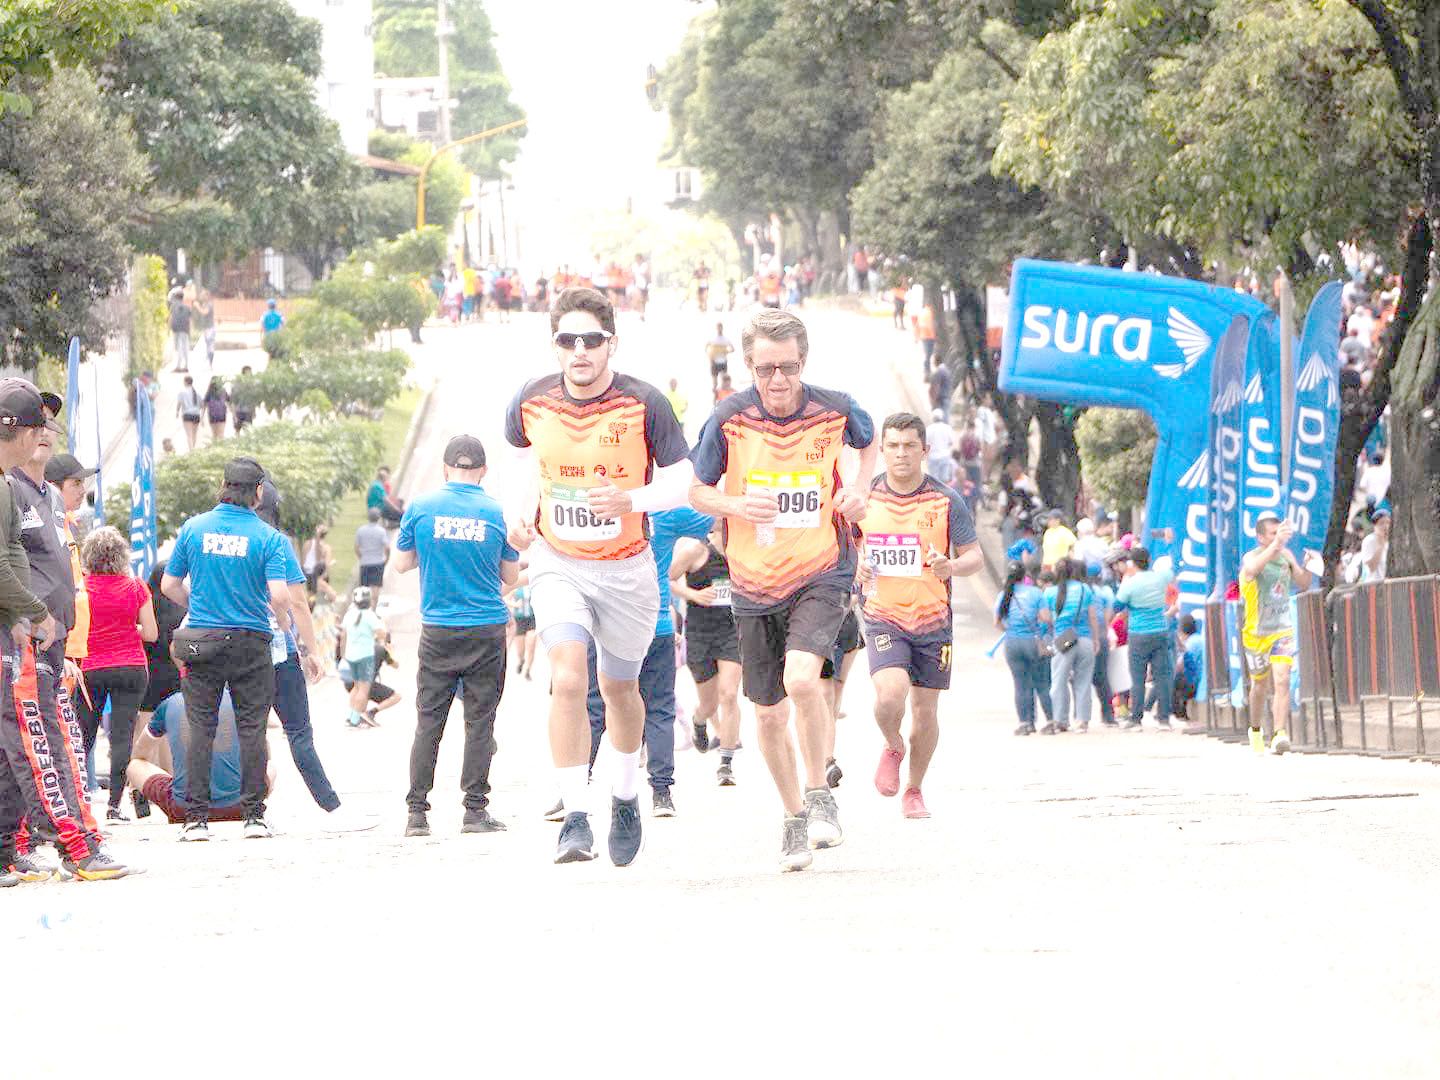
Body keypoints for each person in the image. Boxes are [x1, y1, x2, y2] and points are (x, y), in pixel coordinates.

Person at [504, 287, 692, 866]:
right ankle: (576, 815)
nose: (579, 350)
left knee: (619, 690)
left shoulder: (645, 403)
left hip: (628, 570)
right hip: (560, 563)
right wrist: (520, 512)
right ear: (555, 346)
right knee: (566, 676)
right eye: (568, 340)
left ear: (611, 342)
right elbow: (525, 460)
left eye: (591, 339)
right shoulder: (531, 401)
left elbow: (682, 479)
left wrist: (631, 499)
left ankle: (627, 795)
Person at [690, 308, 876, 871]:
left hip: (821, 567)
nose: (778, 381)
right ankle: (794, 816)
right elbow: (697, 491)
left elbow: (868, 446)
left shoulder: (836, 409)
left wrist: (861, 490)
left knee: (803, 678)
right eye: (766, 368)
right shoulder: (728, 418)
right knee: (766, 714)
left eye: (789, 368)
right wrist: (733, 504)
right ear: (748, 365)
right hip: (751, 578)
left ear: (804, 362)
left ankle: (820, 794)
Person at [0, 379, 135, 881]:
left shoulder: (50, 500)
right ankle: (74, 845)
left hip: (53, 641)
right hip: (21, 639)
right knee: (38, 743)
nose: (43, 433)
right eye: (34, 424)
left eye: (48, 424)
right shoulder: (9, 490)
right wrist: (31, 615)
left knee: (34, 742)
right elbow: (7, 565)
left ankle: (13, 847)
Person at [160, 456, 296, 840]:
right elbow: (280, 594)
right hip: (252, 642)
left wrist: (199, 607)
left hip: (203, 642)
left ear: (223, 485)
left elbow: (169, 586)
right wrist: (282, 622)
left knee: (200, 727)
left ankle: (196, 819)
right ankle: (254, 815)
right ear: (258, 492)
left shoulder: (194, 528)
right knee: (252, 728)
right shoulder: (268, 537)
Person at [856, 412, 981, 818]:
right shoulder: (865, 498)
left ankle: (914, 789)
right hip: (882, 615)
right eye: (892, 446)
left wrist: (950, 567)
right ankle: (892, 743)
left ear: (925, 451)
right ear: (882, 452)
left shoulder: (946, 500)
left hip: (932, 621)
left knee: (926, 711)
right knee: (889, 695)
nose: (901, 454)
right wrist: (853, 565)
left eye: (910, 446)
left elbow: (974, 556)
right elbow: (838, 547)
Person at [394, 434, 518, 834]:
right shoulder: (495, 512)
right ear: (482, 471)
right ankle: (475, 811)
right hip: (485, 628)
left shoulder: (421, 507)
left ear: (446, 468)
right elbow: (510, 575)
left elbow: (400, 564)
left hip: (438, 630)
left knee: (429, 721)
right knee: (480, 721)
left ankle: (417, 813)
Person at [74, 526, 156, 820]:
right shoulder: (135, 587)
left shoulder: (81, 588)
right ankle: (113, 806)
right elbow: (151, 634)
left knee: (83, 734)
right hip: (130, 666)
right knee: (122, 736)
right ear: (122, 555)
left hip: (91, 668)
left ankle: (76, 801)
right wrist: (129, 628)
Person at [125, 691, 275, 826]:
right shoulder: (243, 701)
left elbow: (140, 752)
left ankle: (171, 787)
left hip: (183, 808)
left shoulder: (171, 703)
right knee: (270, 766)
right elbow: (263, 753)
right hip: (239, 806)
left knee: (134, 765)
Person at [670, 522, 742, 785]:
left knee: (730, 693)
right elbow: (668, 579)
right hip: (701, 632)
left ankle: (726, 762)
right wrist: (694, 595)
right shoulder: (696, 550)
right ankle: (700, 720)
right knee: (709, 703)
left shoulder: (742, 553)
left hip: (732, 631)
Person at [1240, 512, 1312, 754]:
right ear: (1260, 537)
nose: (1278, 538)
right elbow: (1253, 570)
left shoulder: (1286, 556)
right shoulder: (1251, 557)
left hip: (1282, 629)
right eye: (1272, 534)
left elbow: (1302, 582)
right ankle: (1256, 729)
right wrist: (1276, 545)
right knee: (1259, 685)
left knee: (1282, 680)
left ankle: (1280, 733)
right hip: (1256, 632)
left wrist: (1310, 567)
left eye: (1279, 533)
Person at [1114, 545, 1177, 731]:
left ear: (1132, 563)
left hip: (1138, 634)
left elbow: (1118, 605)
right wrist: (1168, 543)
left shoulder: (1130, 584)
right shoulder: (1161, 578)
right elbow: (1172, 570)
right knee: (1162, 677)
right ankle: (1164, 719)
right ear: (1149, 561)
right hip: (1160, 631)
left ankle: (1136, 719)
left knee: (1138, 678)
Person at [1040, 558, 1103, 733]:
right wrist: (1096, 639)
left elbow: (1045, 619)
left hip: (1063, 639)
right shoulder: (1085, 589)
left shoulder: (1050, 592)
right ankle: (1082, 721)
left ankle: (1061, 719)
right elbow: (1092, 617)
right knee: (1083, 681)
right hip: (1084, 639)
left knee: (1059, 680)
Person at [995, 561, 1052, 735]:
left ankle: (1025, 723)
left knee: (1021, 685)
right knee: (1041, 683)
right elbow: (1045, 618)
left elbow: (996, 623)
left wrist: (1011, 630)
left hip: (1012, 643)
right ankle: (1050, 721)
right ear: (1024, 575)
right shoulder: (1035, 593)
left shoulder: (1004, 594)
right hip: (1032, 642)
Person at [354, 507, 390, 602]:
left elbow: (356, 547)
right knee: (376, 587)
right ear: (378, 518)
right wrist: (386, 558)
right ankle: (373, 609)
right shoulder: (381, 531)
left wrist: (361, 557)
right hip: (378, 562)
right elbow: (387, 547)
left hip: (365, 562)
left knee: (364, 588)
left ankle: (363, 608)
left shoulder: (361, 530)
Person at [1173, 613, 1203, 723]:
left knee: (1168, 680)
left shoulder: (1191, 643)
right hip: (1198, 679)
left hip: (1195, 682)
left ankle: (1176, 714)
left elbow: (1179, 665)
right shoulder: (1198, 638)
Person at [507, 581, 537, 679]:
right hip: (519, 619)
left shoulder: (533, 585)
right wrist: (515, 604)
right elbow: (506, 600)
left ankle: (528, 670)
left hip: (532, 618)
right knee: (520, 649)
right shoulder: (516, 587)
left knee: (531, 644)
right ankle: (521, 660)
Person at [302, 523, 334, 600]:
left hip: (309, 573)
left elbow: (303, 560)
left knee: (311, 594)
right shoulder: (325, 547)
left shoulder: (307, 544)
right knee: (318, 593)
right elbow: (326, 562)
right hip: (316, 574)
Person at [924, 408, 956, 487]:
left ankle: (935, 497)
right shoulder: (947, 428)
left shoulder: (929, 429)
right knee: (944, 481)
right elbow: (951, 442)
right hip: (945, 456)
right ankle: (944, 497)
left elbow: (926, 444)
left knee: (934, 482)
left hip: (933, 457)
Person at [1359, 506, 1390, 581]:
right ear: (1375, 526)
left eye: (1388, 523)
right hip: (1372, 583)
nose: (1385, 526)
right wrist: (1381, 545)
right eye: (1381, 523)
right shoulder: (1369, 541)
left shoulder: (1391, 541)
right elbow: (1371, 567)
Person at [176, 375, 203, 450]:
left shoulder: (182, 392)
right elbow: (202, 404)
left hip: (187, 414)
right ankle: (193, 448)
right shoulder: (198, 392)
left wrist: (177, 412)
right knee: (194, 434)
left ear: (185, 382)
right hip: (196, 414)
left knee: (189, 435)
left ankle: (191, 451)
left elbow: (179, 403)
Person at [706, 323, 734, 393]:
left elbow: (733, 349)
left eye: (720, 327)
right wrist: (709, 356)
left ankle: (724, 397)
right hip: (714, 362)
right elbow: (706, 347)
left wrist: (726, 351)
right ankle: (715, 399)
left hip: (723, 362)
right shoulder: (712, 338)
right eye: (718, 328)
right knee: (715, 383)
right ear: (716, 328)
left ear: (722, 328)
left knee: (724, 381)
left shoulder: (725, 339)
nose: (719, 329)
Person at [169, 289, 193, 372]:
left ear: (175, 297)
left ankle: (178, 366)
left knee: (178, 348)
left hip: (176, 329)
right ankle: (186, 366)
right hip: (185, 330)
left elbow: (171, 318)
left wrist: (169, 327)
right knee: (185, 347)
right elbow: (190, 320)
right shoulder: (187, 307)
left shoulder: (173, 307)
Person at [193, 289, 216, 368]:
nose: (201, 297)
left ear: (207, 296)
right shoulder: (205, 304)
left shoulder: (209, 304)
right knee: (208, 345)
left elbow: (204, 312)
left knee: (210, 345)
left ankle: (210, 363)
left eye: (203, 295)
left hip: (210, 328)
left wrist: (197, 306)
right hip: (207, 327)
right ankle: (209, 363)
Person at [203, 376, 229, 443]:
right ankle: (221, 448)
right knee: (221, 434)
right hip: (222, 415)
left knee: (214, 434)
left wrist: (202, 417)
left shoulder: (209, 392)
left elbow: (204, 405)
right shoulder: (223, 391)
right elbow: (229, 401)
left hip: (212, 415)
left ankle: (215, 447)